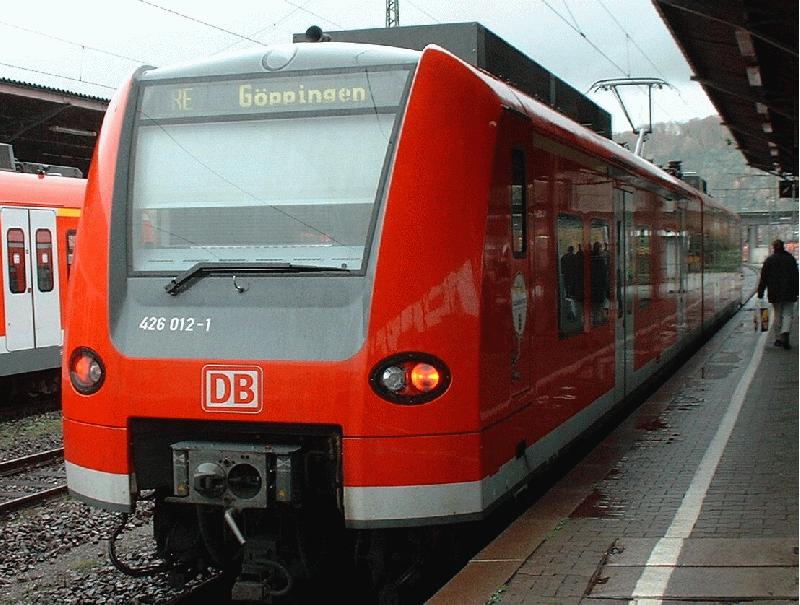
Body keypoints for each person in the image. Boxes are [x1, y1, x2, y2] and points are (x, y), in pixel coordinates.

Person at [757, 239, 799, 349]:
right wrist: (797, 290)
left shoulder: (769, 260)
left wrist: (760, 292)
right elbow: (796, 276)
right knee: (788, 314)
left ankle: (778, 339)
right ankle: (785, 331)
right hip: (790, 292)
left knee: (777, 314)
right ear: (783, 247)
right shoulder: (791, 259)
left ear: (774, 248)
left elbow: (763, 278)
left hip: (774, 293)